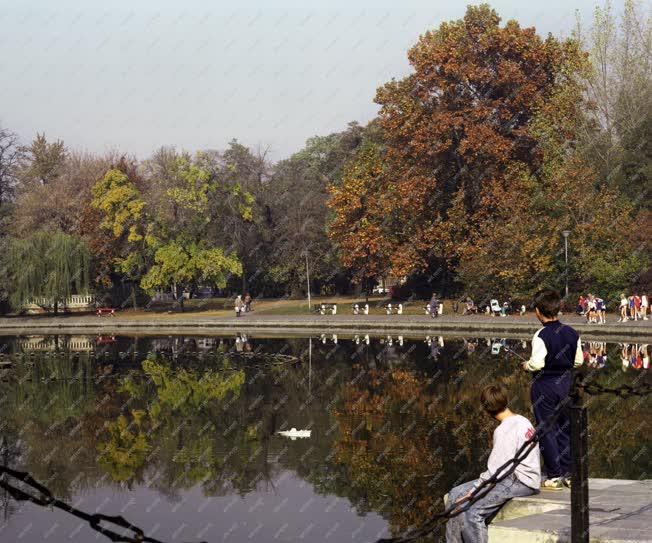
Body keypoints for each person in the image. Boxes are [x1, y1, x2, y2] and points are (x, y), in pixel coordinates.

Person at [445, 384, 540, 543]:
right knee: (455, 493)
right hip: (516, 476)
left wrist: (475, 490)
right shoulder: (522, 420)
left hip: (520, 481)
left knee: (473, 513)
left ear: (486, 409)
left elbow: (497, 471)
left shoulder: (503, 430)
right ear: (506, 401)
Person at [523, 289, 582, 490]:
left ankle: (554, 475)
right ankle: (569, 472)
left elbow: (537, 364)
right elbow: (578, 360)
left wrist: (526, 366)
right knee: (566, 427)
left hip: (545, 385)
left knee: (547, 429)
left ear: (538, 311)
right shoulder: (572, 332)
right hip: (567, 384)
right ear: (558, 308)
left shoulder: (541, 335)